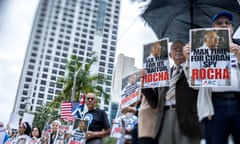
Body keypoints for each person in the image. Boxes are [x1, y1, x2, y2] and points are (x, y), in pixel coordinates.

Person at [183, 11, 240, 144]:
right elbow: (194, 84)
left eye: (227, 23)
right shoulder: (201, 49)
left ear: (232, 28)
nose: (224, 25)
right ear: (212, 29)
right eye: (219, 23)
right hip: (214, 106)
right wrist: (189, 61)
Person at [140, 41, 202, 144]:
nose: (178, 51)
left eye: (180, 48)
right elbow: (154, 102)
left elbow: (197, 87)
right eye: (175, 49)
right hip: (165, 117)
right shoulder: (163, 75)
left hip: (188, 118)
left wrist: (190, 62)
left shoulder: (193, 68)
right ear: (170, 55)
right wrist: (145, 85)